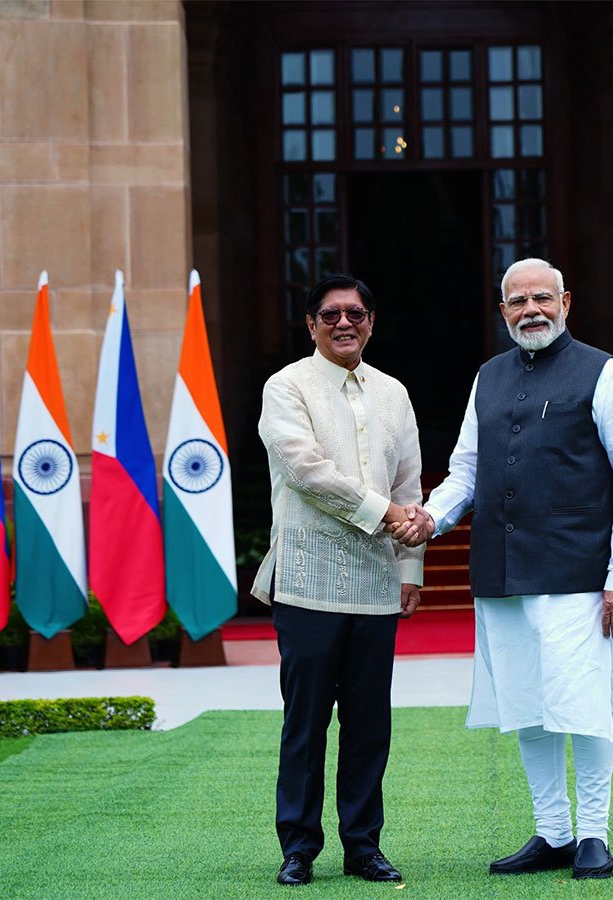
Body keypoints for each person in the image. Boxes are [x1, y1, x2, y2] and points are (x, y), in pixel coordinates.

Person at [392, 257, 613, 880]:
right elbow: (465, 470)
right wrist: (431, 519)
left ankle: (593, 834)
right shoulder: (487, 377)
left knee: (582, 702)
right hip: (502, 569)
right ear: (503, 310)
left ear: (567, 301)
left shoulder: (604, 372)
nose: (532, 310)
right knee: (528, 705)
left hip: (578, 572)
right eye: (519, 302)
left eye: (543, 298)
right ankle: (553, 833)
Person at [254, 273, 424, 886]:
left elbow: (408, 479)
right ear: (311, 325)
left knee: (368, 722)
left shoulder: (393, 393)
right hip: (306, 580)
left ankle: (363, 845)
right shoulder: (287, 386)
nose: (344, 323)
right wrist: (385, 515)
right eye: (330, 315)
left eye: (356, 313)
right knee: (305, 722)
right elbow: (305, 470)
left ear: (372, 322)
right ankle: (298, 846)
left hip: (378, 582)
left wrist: (411, 567)